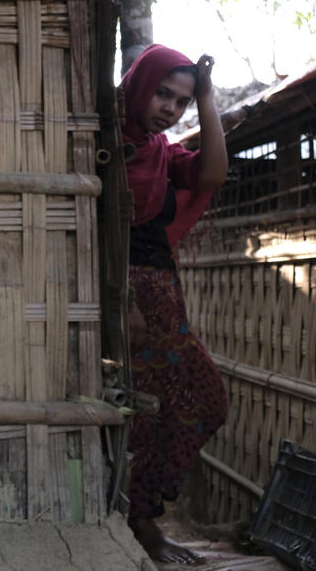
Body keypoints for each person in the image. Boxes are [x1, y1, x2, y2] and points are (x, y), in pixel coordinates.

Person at [119, 44, 228, 565]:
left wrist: (207, 98)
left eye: (181, 101)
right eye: (163, 93)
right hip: (130, 304)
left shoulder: (159, 150)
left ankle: (141, 517)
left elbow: (211, 175)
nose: (170, 108)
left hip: (164, 300)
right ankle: (138, 524)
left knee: (203, 403)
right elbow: (92, 225)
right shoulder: (105, 144)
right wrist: (123, 300)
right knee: (144, 417)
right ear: (140, 85)